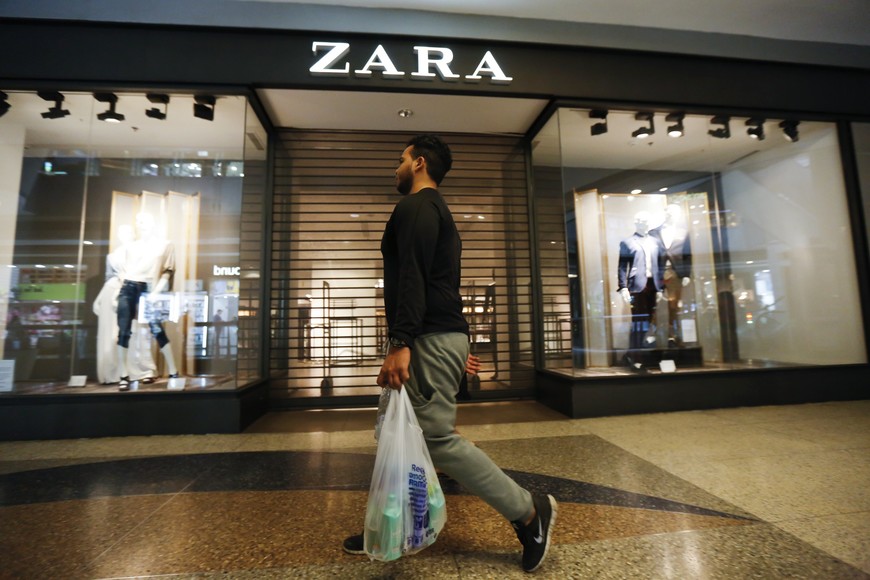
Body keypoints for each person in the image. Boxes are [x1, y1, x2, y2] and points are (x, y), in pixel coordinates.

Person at [343, 135, 557, 572]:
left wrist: (402, 342)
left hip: (424, 338)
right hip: (434, 337)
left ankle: (530, 512)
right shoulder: (437, 212)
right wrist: (449, 349)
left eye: (401, 159)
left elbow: (414, 278)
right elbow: (441, 285)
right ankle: (392, 526)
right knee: (395, 433)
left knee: (435, 438)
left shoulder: (417, 207)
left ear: (419, 163)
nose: (396, 166)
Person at [114, 212, 180, 391]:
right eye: (138, 221)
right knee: (124, 331)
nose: (140, 224)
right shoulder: (131, 247)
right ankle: (123, 374)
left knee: (157, 328)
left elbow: (168, 270)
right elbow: (123, 272)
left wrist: (156, 291)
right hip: (128, 286)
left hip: (149, 288)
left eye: (144, 220)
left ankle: (174, 371)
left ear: (153, 223)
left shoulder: (165, 245)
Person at [616, 210, 664, 372]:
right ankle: (637, 358)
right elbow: (622, 267)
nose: (646, 224)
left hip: (653, 285)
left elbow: (660, 266)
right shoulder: (628, 242)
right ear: (636, 222)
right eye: (642, 221)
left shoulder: (656, 242)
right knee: (639, 322)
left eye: (647, 221)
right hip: (637, 286)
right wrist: (623, 287)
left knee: (647, 321)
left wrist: (661, 287)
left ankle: (630, 355)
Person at [650, 203, 692, 346]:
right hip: (658, 272)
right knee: (657, 302)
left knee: (674, 304)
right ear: (665, 213)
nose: (671, 215)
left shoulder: (684, 232)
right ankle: (654, 331)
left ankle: (671, 333)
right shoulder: (653, 233)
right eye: (669, 212)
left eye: (675, 213)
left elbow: (688, 254)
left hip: (676, 272)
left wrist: (686, 274)